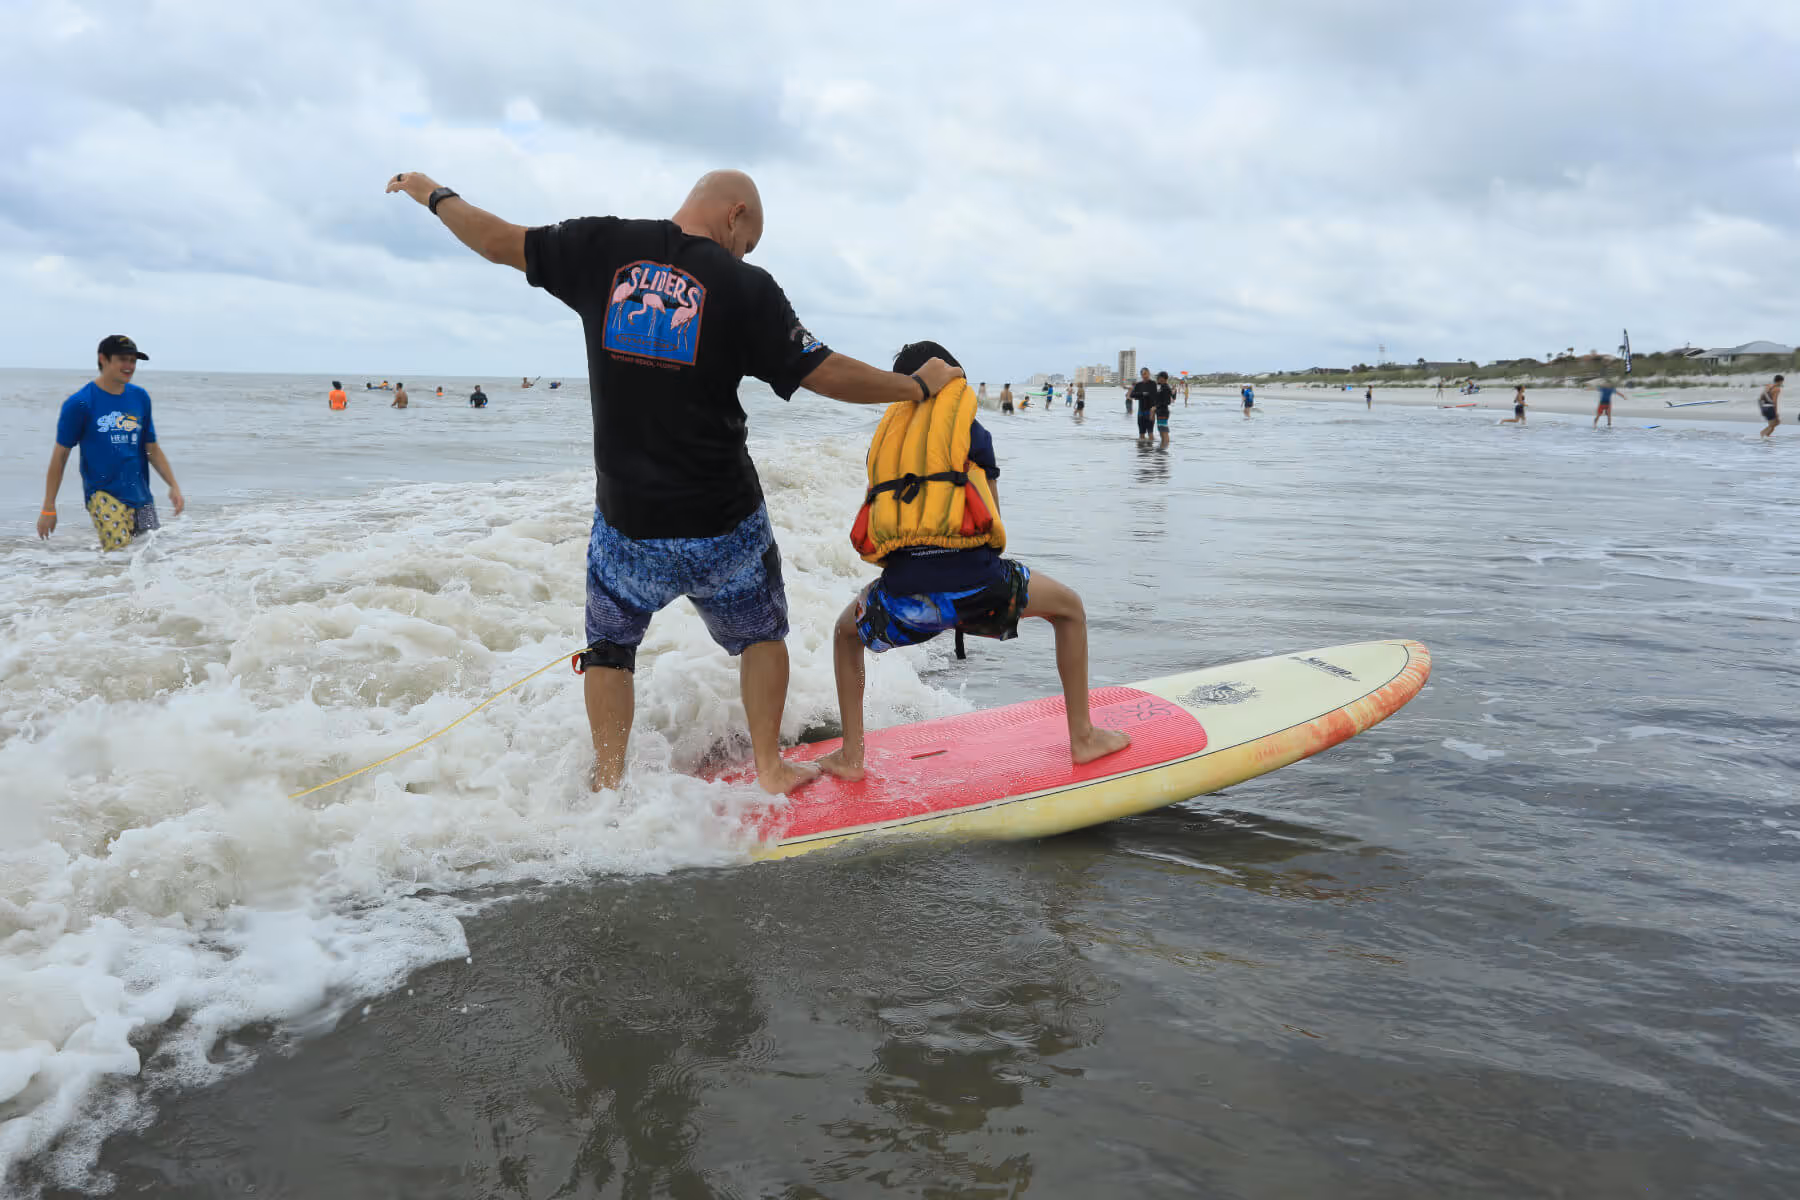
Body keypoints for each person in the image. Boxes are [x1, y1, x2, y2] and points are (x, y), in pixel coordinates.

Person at [386, 166, 963, 795]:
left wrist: (431, 194)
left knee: (609, 644)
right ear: (736, 213)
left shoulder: (601, 247)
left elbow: (496, 239)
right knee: (763, 636)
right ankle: (770, 768)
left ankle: (610, 786)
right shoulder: (747, 287)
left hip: (628, 526)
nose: (742, 253)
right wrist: (913, 386)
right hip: (725, 527)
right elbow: (823, 372)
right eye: (748, 241)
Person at [817, 340, 1130, 783]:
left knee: (844, 634)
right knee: (1070, 609)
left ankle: (851, 757)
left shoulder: (884, 442)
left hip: (904, 601)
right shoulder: (972, 432)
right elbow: (992, 522)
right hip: (981, 592)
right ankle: (1083, 736)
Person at [38, 334, 184, 550]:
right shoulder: (80, 403)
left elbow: (151, 447)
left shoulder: (140, 397)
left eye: (133, 360)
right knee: (119, 556)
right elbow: (60, 457)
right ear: (103, 359)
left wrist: (173, 485)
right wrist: (48, 507)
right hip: (103, 495)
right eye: (122, 359)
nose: (129, 366)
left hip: (141, 495)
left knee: (151, 557)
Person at [1129, 367, 1157, 440]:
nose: (1144, 376)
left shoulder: (1153, 384)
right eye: (1143, 374)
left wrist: (1154, 409)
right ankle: (1142, 450)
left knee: (1150, 433)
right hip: (1141, 412)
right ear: (1141, 375)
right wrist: (1143, 394)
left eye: (1146, 374)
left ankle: (1151, 450)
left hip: (1150, 411)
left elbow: (1153, 396)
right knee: (1141, 434)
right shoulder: (1139, 384)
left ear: (1149, 373)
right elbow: (1132, 395)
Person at [1758, 374, 1784, 439]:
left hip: (1764, 407)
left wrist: (1761, 409)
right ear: (1780, 381)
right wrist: (1776, 413)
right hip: (1770, 407)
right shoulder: (1777, 389)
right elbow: (1774, 402)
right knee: (1774, 424)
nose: (1782, 383)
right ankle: (1763, 435)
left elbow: (1760, 398)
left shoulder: (1768, 386)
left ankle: (1766, 437)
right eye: (1782, 382)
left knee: (1774, 423)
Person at [1153, 370, 1174, 447]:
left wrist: (1156, 406)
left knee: (1164, 431)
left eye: (1160, 377)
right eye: (1158, 377)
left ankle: (1164, 449)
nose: (1158, 379)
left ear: (1164, 378)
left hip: (1163, 411)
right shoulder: (1161, 387)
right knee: (1161, 430)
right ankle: (1162, 448)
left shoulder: (1166, 387)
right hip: (1160, 411)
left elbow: (1167, 402)